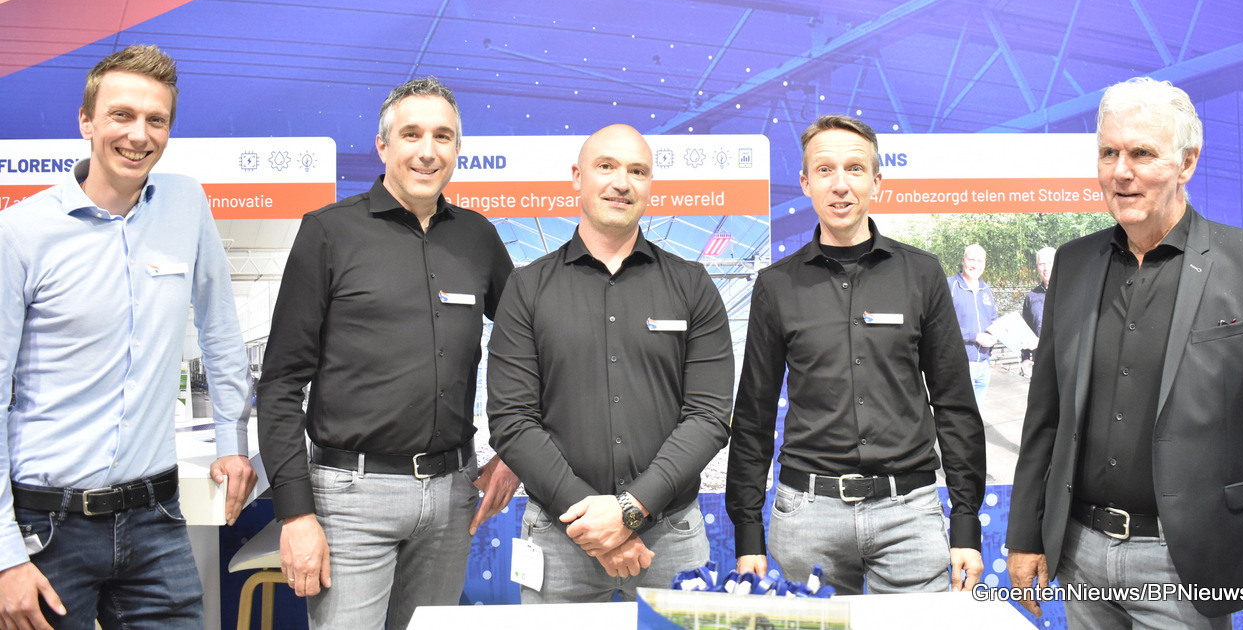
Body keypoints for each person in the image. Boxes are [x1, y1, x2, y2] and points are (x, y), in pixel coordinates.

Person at [1007, 77, 1243, 627]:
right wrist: (1025, 534)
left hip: (1187, 561)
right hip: (1079, 553)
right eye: (1108, 153)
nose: (1121, 172)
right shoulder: (1074, 263)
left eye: (1141, 153)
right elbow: (1046, 415)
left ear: (1187, 162)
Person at [0, 45, 256, 629]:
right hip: (47, 528)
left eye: (155, 120)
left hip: (155, 520)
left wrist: (232, 441)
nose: (139, 135)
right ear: (86, 121)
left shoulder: (185, 203)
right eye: (121, 115)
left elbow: (219, 329)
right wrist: (5, 555)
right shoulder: (19, 233)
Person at [257, 77, 518, 630]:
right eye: (412, 134)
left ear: (457, 148)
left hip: (451, 495)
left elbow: (532, 343)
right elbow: (280, 383)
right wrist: (295, 513)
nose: (428, 151)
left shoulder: (477, 238)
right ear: (383, 146)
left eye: (442, 136)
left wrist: (516, 452)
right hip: (349, 501)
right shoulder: (329, 233)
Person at [726, 114, 985, 595]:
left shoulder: (922, 274)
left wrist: (966, 522)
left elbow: (954, 404)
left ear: (877, 181)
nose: (840, 184)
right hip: (807, 518)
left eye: (855, 169)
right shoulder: (776, 285)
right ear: (806, 183)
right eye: (825, 170)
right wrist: (747, 531)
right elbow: (753, 416)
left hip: (909, 516)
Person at [487, 124, 733, 602]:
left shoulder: (692, 285)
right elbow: (512, 419)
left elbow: (708, 417)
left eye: (637, 171)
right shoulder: (528, 288)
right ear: (577, 177)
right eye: (606, 166)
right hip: (560, 538)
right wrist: (592, 521)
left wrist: (629, 511)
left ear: (650, 184)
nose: (622, 182)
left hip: (670, 538)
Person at [948, 244, 999, 405]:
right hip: (960, 363)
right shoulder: (949, 286)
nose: (975, 265)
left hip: (984, 364)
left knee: (977, 414)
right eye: (971, 260)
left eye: (980, 261)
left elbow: (993, 319)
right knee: (961, 413)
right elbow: (943, 325)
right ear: (963, 261)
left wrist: (995, 334)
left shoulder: (986, 289)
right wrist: (975, 336)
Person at [1019, 247, 1054, 377]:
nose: (1045, 268)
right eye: (1041, 264)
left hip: (1064, 362)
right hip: (1039, 363)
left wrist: (1042, 342)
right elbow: (1025, 331)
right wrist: (1025, 358)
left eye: (1049, 263)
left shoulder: (1070, 295)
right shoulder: (1031, 297)